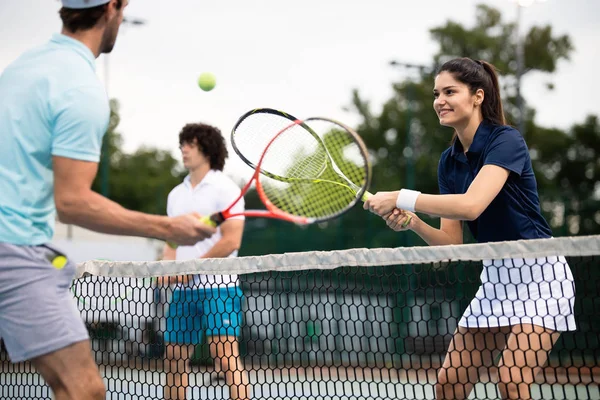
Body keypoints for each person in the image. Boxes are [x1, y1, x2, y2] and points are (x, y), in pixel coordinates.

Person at [0, 1, 215, 399]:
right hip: (12, 249)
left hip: (21, 247)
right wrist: (168, 228)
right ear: (113, 9)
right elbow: (73, 203)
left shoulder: (18, 69)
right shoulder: (79, 88)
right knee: (84, 390)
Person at [364, 58, 576, 400]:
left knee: (511, 381)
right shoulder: (449, 161)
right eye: (436, 93)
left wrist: (402, 196)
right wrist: (413, 221)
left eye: (450, 91)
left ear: (477, 96)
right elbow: (450, 246)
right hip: (495, 278)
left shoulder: (506, 141)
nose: (439, 101)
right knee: (449, 385)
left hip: (542, 276)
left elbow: (472, 204)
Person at [159, 123, 250, 400]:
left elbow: (231, 241)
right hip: (184, 292)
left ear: (206, 149)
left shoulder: (225, 189)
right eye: (182, 144)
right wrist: (168, 268)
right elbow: (171, 239)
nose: (184, 149)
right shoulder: (176, 194)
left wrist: (192, 268)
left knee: (224, 358)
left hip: (219, 287)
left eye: (191, 144)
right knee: (173, 357)